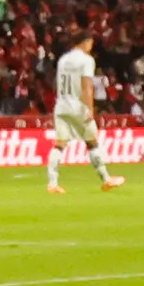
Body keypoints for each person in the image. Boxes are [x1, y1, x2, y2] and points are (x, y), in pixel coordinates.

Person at [47, 35, 107, 192]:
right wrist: (90, 109)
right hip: (78, 107)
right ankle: (106, 178)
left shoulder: (63, 59)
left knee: (59, 144)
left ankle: (52, 183)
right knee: (92, 141)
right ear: (85, 42)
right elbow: (87, 86)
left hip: (61, 106)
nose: (91, 47)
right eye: (90, 43)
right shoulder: (87, 60)